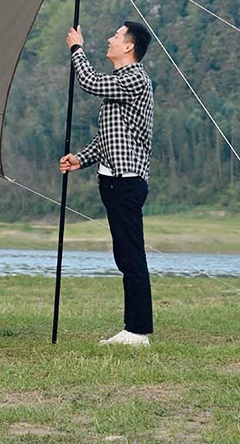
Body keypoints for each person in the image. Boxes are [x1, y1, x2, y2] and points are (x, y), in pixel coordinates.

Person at [60, 20, 154, 347]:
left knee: (131, 257)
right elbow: (106, 139)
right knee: (125, 256)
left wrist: (76, 47)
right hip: (113, 181)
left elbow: (88, 81)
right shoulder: (120, 82)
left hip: (126, 182)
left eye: (116, 36)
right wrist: (80, 159)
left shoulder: (134, 78)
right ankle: (134, 328)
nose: (110, 40)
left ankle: (138, 331)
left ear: (129, 46)